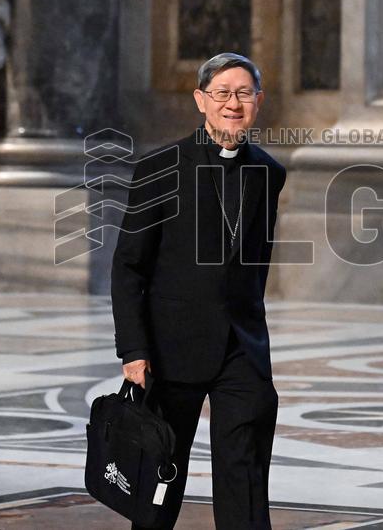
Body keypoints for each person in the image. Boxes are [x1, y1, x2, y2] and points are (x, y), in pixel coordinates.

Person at [111, 53, 287, 529]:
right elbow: (128, 267)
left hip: (242, 350)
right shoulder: (160, 168)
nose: (234, 103)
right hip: (170, 351)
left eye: (244, 93)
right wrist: (134, 349)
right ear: (201, 101)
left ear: (258, 101)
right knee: (159, 483)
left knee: (246, 475)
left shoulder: (269, 173)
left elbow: (254, 264)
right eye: (222, 93)